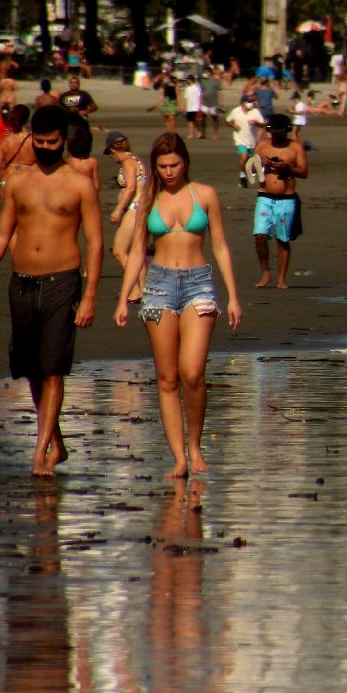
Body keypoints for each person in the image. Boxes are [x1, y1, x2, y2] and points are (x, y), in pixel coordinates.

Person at [0, 105, 103, 477]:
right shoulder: (19, 181)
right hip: (21, 281)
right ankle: (55, 440)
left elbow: (96, 242)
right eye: (38, 142)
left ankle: (40, 453)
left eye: (51, 142)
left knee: (53, 367)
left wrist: (89, 296)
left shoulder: (79, 184)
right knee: (31, 368)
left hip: (63, 280)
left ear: (63, 140)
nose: (44, 148)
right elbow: (1, 234)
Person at [112, 134, 243, 480]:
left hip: (198, 284)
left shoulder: (205, 195)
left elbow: (221, 247)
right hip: (158, 287)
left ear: (185, 162)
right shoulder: (148, 199)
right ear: (154, 167)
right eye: (162, 166)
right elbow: (138, 251)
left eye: (175, 164)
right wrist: (123, 298)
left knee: (192, 372)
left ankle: (196, 445)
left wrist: (233, 296)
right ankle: (179, 458)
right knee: (167, 378)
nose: (169, 171)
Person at [252, 114, 309, 289]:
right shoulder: (262, 145)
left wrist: (287, 167)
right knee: (260, 236)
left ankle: (281, 278)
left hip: (287, 199)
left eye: (280, 132)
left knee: (282, 239)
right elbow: (251, 167)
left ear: (287, 131)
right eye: (273, 132)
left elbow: (304, 172)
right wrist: (263, 162)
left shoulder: (295, 147)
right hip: (265, 196)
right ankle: (265, 272)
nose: (276, 135)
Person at [105, 131, 150, 301]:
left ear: (113, 149)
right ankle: (143, 288)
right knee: (136, 252)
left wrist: (118, 209)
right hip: (142, 209)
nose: (111, 158)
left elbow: (131, 188)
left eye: (110, 154)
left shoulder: (128, 162)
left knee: (119, 250)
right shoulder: (138, 160)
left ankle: (137, 289)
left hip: (133, 209)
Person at [0, 103, 34, 207]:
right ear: (27, 119)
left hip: (6, 181)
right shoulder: (34, 141)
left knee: (7, 217)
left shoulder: (4, 141)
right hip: (27, 181)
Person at [227, 94, 264, 187]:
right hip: (239, 139)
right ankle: (242, 177)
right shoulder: (236, 111)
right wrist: (233, 125)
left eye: (251, 102)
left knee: (250, 163)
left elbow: (263, 125)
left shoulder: (255, 112)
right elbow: (227, 121)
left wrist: (255, 122)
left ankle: (246, 176)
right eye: (249, 102)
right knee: (244, 156)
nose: (251, 104)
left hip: (251, 141)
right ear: (243, 103)